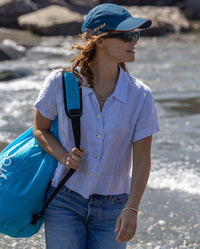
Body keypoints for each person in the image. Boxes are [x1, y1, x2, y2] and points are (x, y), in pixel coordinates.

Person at [33, 3, 159, 249]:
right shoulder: (60, 82)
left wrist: (132, 208)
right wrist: (63, 156)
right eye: (126, 35)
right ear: (99, 40)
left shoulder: (140, 95)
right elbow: (40, 129)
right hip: (64, 201)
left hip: (114, 207)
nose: (134, 41)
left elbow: (142, 158)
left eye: (136, 35)